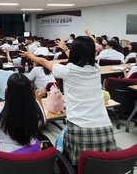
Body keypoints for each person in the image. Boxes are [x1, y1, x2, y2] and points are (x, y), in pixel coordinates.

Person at [21, 36, 117, 166]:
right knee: (99, 164)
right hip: (106, 129)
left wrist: (30, 55)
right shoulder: (96, 69)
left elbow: (44, 62)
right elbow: (78, 58)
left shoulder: (66, 70)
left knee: (62, 144)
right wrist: (64, 48)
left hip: (79, 129)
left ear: (75, 52)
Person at [0, 73, 46, 154]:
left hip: (6, 160)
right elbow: (43, 121)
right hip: (33, 156)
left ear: (8, 91)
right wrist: (39, 99)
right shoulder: (36, 107)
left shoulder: (0, 112)